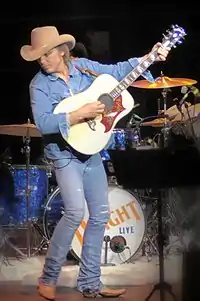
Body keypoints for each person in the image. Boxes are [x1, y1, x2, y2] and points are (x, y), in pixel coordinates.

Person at [20, 26, 170, 299]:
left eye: (46, 54)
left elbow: (116, 71)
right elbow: (43, 122)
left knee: (100, 214)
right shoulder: (39, 84)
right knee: (75, 212)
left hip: (91, 150)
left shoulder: (84, 68)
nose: (41, 60)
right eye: (38, 57)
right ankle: (48, 278)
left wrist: (150, 58)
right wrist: (77, 114)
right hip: (64, 154)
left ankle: (90, 284)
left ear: (62, 51)